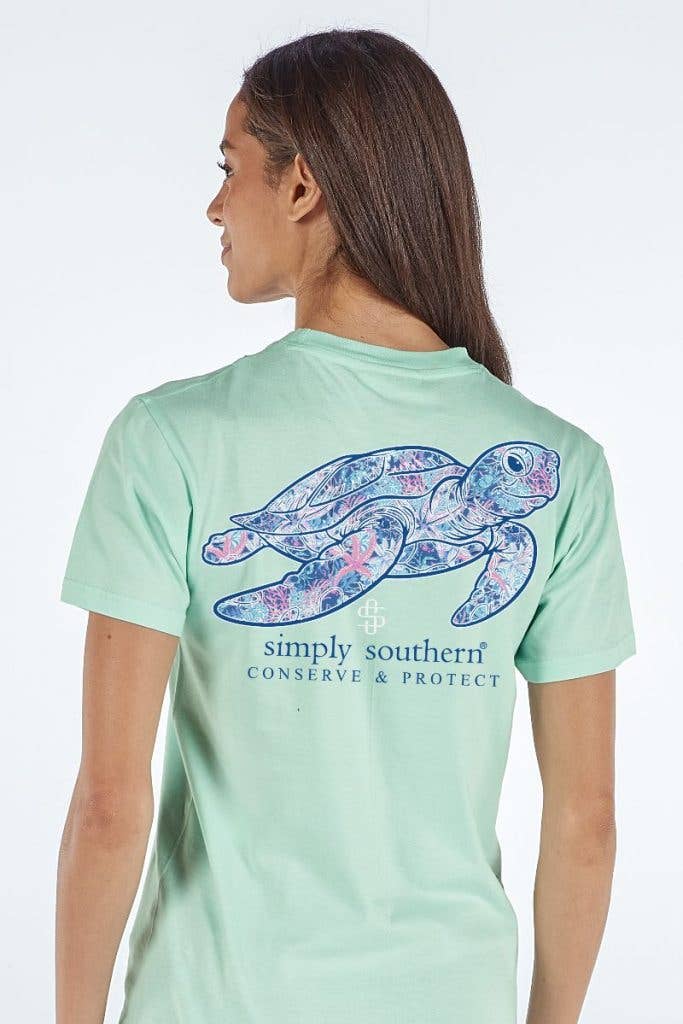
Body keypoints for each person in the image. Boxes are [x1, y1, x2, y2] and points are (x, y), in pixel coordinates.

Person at [55, 28, 636, 1024]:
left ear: (300, 186)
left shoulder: (172, 437)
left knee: (334, 552)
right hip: (449, 998)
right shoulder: (567, 465)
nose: (214, 206)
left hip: (219, 999)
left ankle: (258, 540)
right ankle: (259, 537)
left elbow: (109, 807)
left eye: (228, 167)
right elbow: (585, 820)